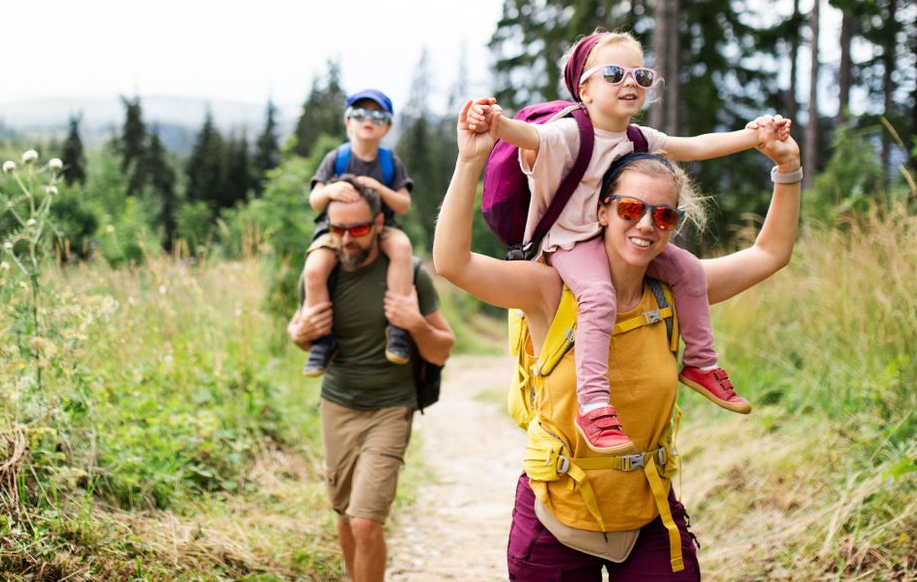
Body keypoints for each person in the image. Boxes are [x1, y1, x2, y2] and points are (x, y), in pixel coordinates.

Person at [434, 98, 801, 578]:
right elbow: (452, 263)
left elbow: (770, 253)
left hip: (650, 515)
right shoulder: (550, 289)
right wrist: (469, 160)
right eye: (630, 209)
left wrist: (788, 168)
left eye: (665, 216)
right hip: (555, 519)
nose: (646, 225)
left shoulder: (676, 292)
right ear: (601, 212)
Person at [463, 30, 792, 455]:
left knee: (689, 269)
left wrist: (754, 138)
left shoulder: (637, 139)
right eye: (615, 73)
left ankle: (700, 364)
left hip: (610, 239)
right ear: (585, 88)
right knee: (598, 296)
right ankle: (595, 405)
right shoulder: (568, 133)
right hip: (569, 245)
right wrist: (493, 123)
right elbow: (527, 136)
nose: (630, 82)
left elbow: (691, 147)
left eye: (641, 74)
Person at [288, 176, 455, 582]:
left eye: (358, 228)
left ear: (379, 224)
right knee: (345, 517)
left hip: (390, 410)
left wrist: (414, 324)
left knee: (365, 521)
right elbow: (300, 334)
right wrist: (298, 333)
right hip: (337, 406)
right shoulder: (321, 273)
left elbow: (442, 348)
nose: (346, 239)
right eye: (337, 229)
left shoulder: (411, 275)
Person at [301, 88, 418, 377]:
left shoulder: (390, 162)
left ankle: (398, 328)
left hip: (382, 227)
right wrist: (329, 189)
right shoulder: (336, 159)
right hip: (337, 229)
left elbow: (404, 204)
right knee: (314, 270)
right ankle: (322, 339)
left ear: (388, 126)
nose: (368, 120)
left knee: (402, 250)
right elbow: (315, 200)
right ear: (347, 122)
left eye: (378, 116)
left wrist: (379, 189)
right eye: (359, 114)